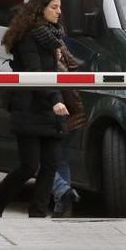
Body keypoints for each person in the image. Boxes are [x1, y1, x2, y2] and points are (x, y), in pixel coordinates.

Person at [0, 0, 69, 218]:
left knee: (51, 165)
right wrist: (54, 100)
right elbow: (35, 73)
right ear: (40, 8)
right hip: (30, 107)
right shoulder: (28, 37)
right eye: (54, 7)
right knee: (29, 166)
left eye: (60, 7)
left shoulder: (52, 37)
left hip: (49, 105)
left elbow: (54, 71)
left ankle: (38, 213)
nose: (59, 12)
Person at [51, 44, 87, 218]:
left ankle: (63, 191)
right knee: (62, 160)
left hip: (57, 112)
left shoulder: (42, 40)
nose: (59, 14)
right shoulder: (57, 39)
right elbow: (75, 65)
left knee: (40, 160)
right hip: (73, 112)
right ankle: (62, 207)